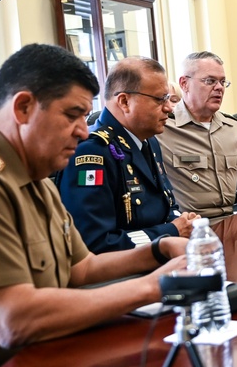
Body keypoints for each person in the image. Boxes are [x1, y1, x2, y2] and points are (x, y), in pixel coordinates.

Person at [0, 44, 187, 367]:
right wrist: (155, 287)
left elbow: (81, 268)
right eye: (72, 115)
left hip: (37, 360)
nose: (84, 131)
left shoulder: (35, 175)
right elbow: (14, 321)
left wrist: (159, 251)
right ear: (24, 107)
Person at [59, 57, 196, 253]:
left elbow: (165, 204)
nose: (168, 108)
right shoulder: (92, 152)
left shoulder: (148, 141)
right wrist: (171, 232)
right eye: (159, 99)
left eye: (167, 99)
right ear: (124, 101)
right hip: (123, 274)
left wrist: (185, 223)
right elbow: (95, 243)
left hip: (161, 258)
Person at [158, 51, 237, 218]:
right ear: (184, 83)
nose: (219, 88)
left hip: (232, 222)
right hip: (191, 228)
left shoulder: (233, 127)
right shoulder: (162, 128)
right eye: (210, 81)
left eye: (223, 82)